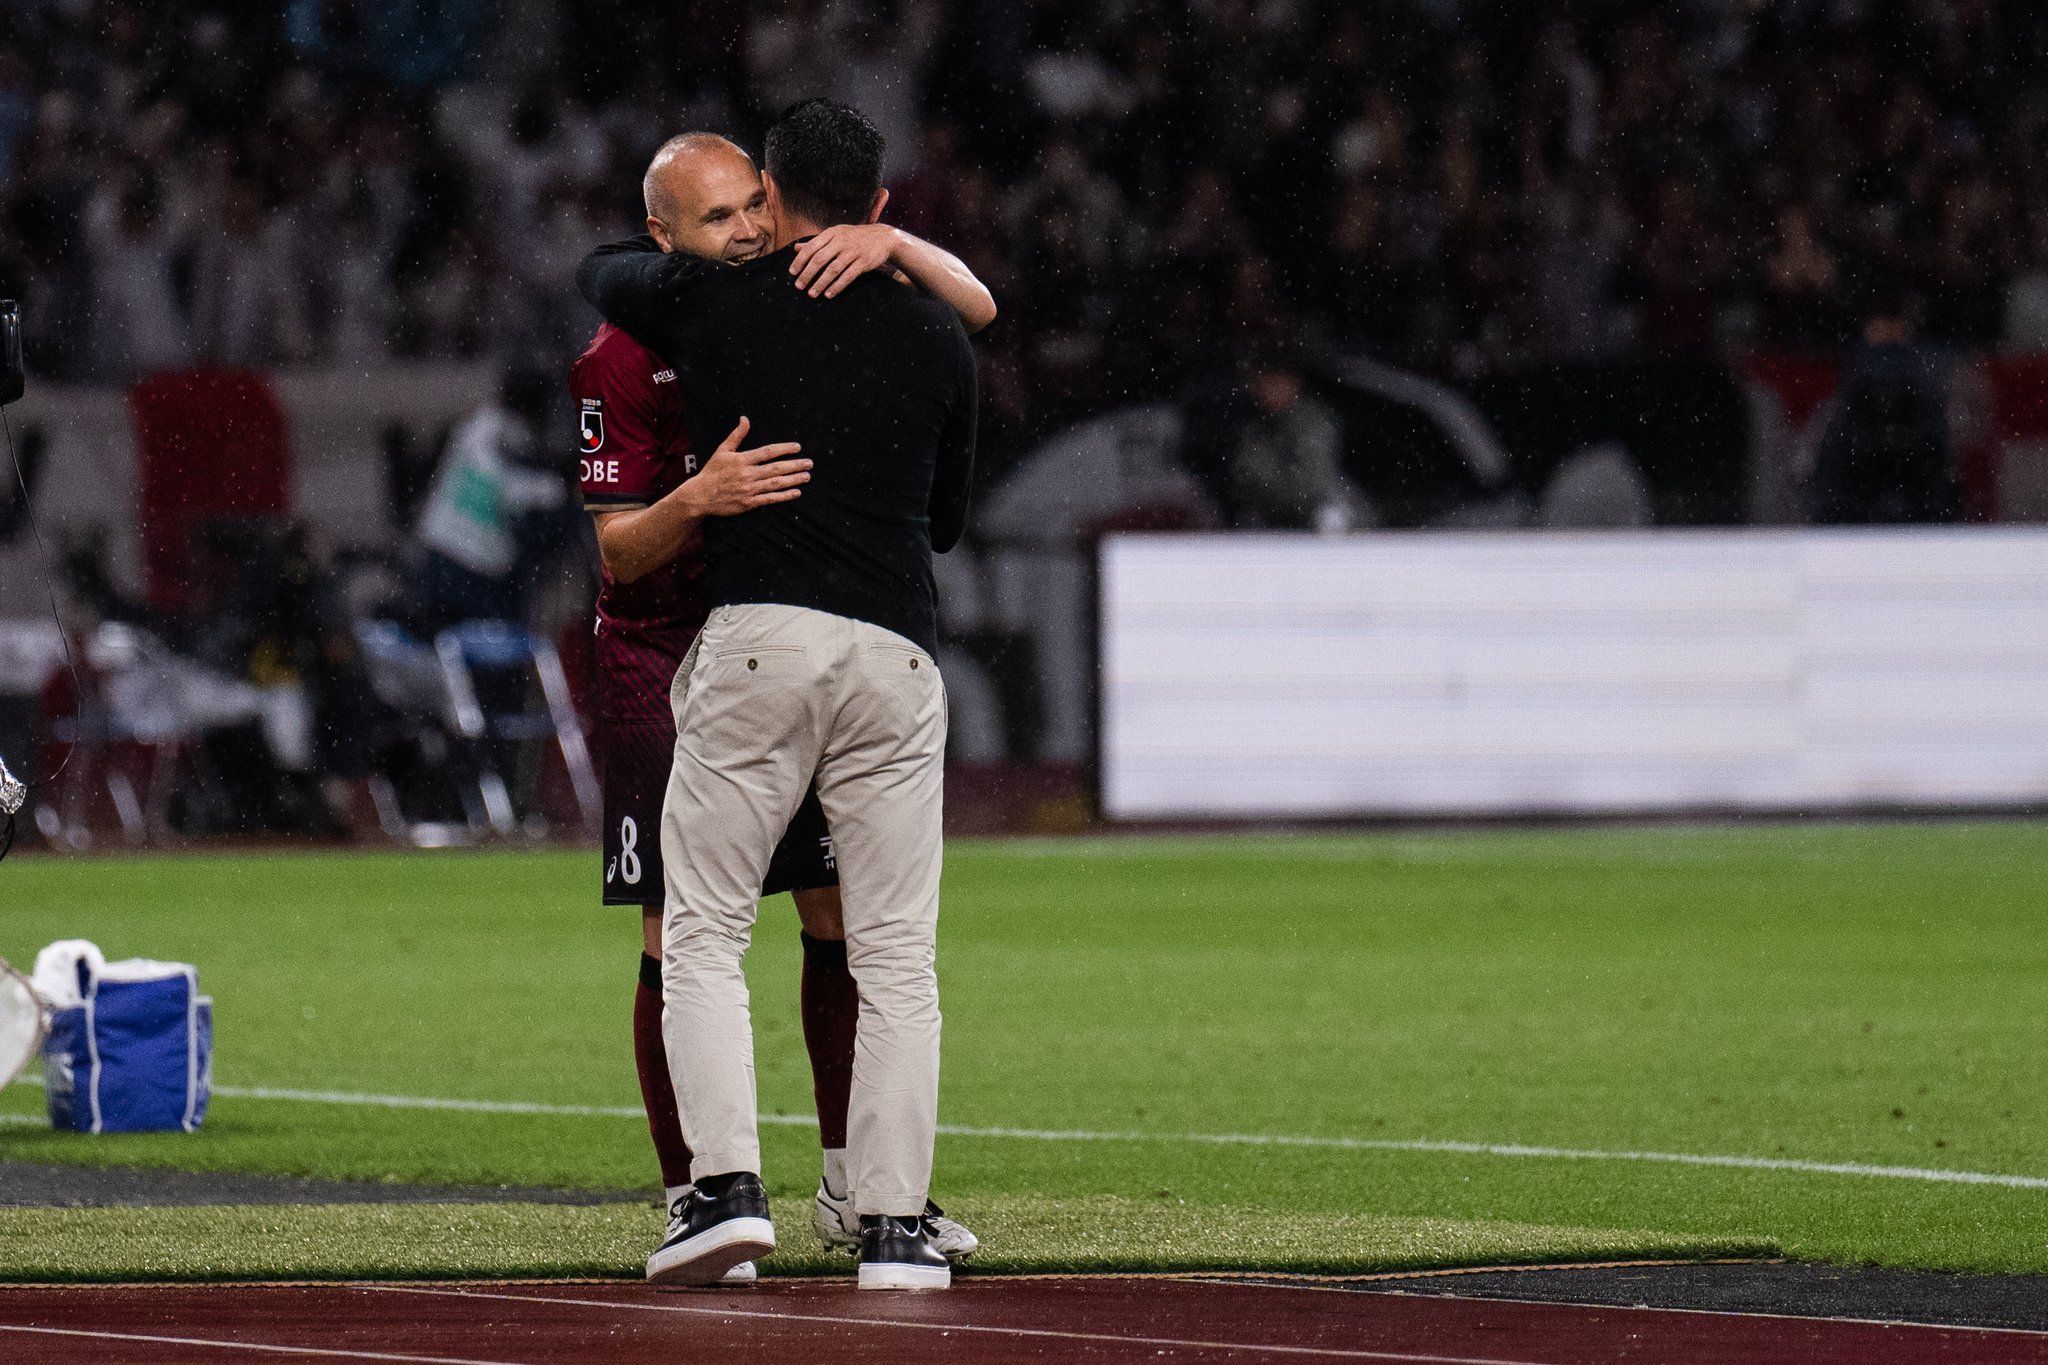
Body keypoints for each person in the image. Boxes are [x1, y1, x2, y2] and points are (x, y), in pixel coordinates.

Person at [573, 129, 989, 1285]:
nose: (746, 232)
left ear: (779, 194)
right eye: (717, 218)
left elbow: (593, 268)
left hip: (753, 648)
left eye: (753, 206)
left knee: (723, 933)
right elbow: (948, 501)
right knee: (898, 958)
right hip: (882, 654)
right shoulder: (931, 329)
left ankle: (729, 1193)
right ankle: (892, 1230)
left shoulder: (712, 313)